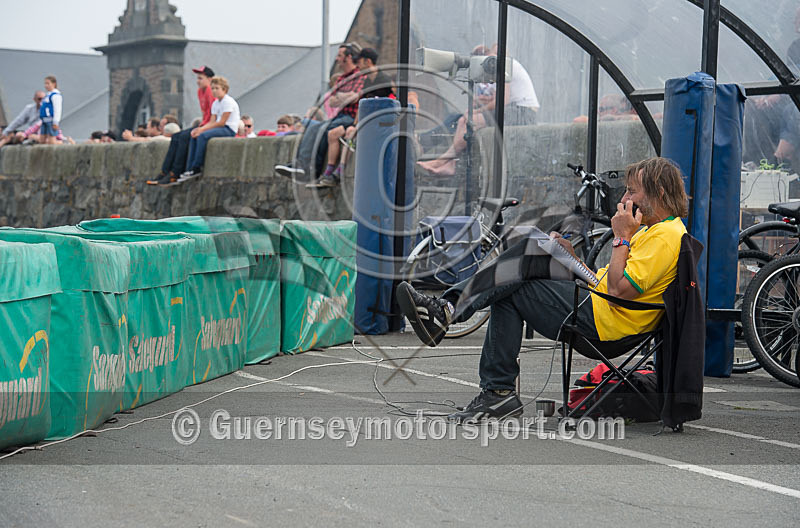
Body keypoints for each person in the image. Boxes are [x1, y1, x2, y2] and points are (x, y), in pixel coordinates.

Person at [396, 157, 689, 422]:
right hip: (601, 307)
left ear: (658, 192)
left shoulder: (665, 236)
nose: (624, 198)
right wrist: (572, 259)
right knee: (531, 251)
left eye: (632, 191)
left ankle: (487, 377)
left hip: (608, 325)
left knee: (511, 285)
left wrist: (621, 238)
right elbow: (611, 283)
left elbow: (617, 291)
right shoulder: (655, 229)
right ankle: (465, 341)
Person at [418, 45, 539, 177]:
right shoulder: (507, 66)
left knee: (471, 120)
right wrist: (481, 102)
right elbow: (500, 98)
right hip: (517, 110)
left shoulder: (503, 64)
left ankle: (440, 161)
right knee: (463, 120)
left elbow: (502, 101)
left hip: (523, 113)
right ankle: (449, 163)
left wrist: (477, 111)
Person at [274, 43, 365, 181]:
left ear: (349, 57)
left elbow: (354, 97)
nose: (337, 59)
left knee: (323, 129)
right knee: (312, 126)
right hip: (340, 115)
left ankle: (311, 169)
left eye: (340, 55)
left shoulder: (359, 76)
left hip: (351, 117)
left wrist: (344, 97)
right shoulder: (341, 78)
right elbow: (332, 101)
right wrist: (345, 96)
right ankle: (300, 164)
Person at [309, 47, 396, 188]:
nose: (358, 65)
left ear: (367, 62)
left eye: (359, 62)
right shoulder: (368, 81)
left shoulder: (384, 80)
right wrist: (356, 124)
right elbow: (361, 106)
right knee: (337, 133)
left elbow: (395, 103)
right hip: (367, 121)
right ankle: (330, 172)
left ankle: (340, 170)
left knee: (350, 133)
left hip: (382, 123)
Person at [147, 65, 216, 185]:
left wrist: (201, 128)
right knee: (176, 136)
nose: (198, 81)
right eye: (197, 78)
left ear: (209, 79)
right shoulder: (201, 92)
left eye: (201, 78)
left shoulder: (211, 92)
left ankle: (176, 172)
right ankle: (165, 171)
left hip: (209, 125)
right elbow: (205, 114)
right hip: (204, 124)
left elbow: (213, 117)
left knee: (184, 137)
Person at [177, 75, 240, 182]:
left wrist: (202, 131)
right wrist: (199, 129)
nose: (214, 91)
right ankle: (189, 168)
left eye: (217, 88)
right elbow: (212, 121)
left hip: (228, 129)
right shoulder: (215, 103)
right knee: (194, 136)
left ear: (224, 90)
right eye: (213, 88)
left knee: (203, 136)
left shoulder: (228, 102)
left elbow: (221, 122)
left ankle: (197, 167)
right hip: (219, 126)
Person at [39, 76, 63, 145]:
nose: (46, 86)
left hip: (51, 120)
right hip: (44, 119)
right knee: (42, 139)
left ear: (54, 84)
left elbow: (57, 109)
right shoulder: (47, 95)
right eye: (45, 84)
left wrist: (55, 122)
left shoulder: (55, 95)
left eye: (48, 83)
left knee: (52, 139)